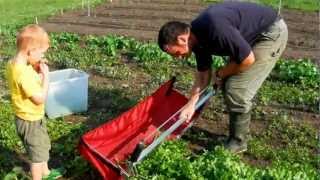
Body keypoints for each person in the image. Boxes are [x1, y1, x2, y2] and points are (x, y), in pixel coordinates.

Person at [158, 1, 288, 153]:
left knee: (235, 88)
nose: (177, 58)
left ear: (181, 39)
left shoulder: (215, 28)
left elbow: (247, 60)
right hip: (248, 37)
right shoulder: (196, 39)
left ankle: (238, 142)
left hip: (269, 33)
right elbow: (203, 76)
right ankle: (235, 138)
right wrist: (191, 104)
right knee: (228, 81)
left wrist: (221, 73)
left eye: (175, 53)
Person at [6, 24, 63, 180]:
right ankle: (38, 176)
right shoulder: (24, 74)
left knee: (42, 147)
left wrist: (36, 69)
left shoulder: (14, 64)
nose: (42, 56)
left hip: (30, 117)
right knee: (37, 157)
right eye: (41, 53)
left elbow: (24, 84)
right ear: (30, 52)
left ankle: (46, 173)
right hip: (30, 120)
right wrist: (46, 79)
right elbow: (39, 99)